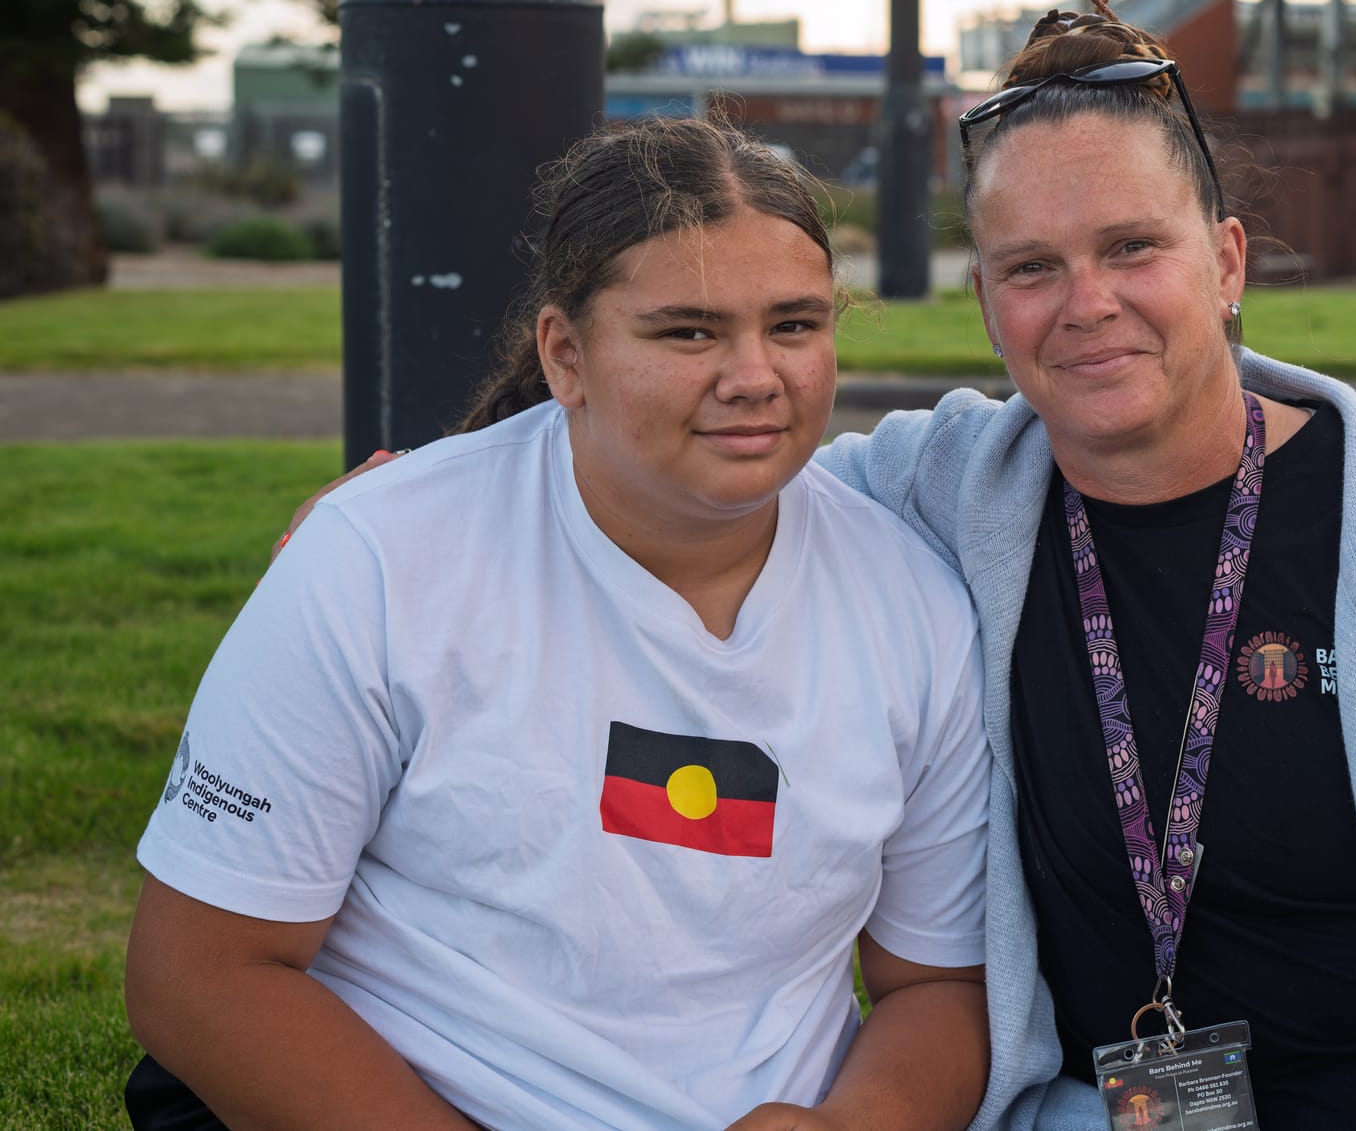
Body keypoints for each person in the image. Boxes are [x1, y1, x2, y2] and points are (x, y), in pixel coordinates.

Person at [279, 3, 1356, 1131]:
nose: (1085, 303)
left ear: (1226, 260)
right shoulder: (936, 493)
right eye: (1030, 267)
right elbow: (691, 446)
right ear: (985, 301)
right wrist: (434, 494)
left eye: (1132, 247)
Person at [123, 117, 994, 1131]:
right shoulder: (379, 558)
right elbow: (200, 974)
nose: (756, 375)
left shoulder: (915, 603)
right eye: (689, 331)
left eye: (794, 325)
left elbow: (937, 983)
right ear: (565, 354)